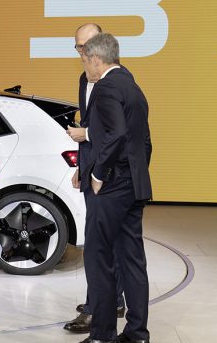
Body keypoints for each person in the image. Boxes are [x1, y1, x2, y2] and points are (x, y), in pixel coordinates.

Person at [78, 33, 152, 343]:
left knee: (98, 257)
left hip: (112, 187)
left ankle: (103, 334)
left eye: (85, 60)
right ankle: (137, 333)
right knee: (132, 260)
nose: (85, 68)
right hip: (134, 185)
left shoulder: (107, 86)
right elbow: (143, 141)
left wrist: (99, 173)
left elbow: (116, 134)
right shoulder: (132, 86)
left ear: (96, 59)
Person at [65, 23, 126, 334]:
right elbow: (89, 123)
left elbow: (115, 130)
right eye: (78, 47)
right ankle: (112, 300)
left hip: (110, 174)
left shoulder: (117, 81)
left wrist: (86, 134)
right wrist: (81, 166)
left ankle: (94, 310)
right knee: (103, 242)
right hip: (93, 165)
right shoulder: (83, 78)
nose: (82, 53)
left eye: (86, 46)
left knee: (96, 246)